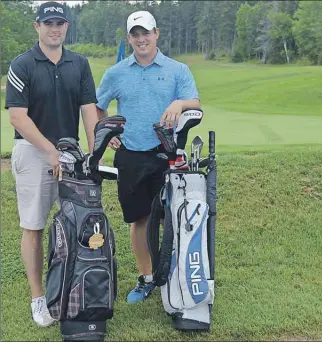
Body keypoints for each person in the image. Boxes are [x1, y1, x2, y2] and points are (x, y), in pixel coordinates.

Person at [5, 1, 99, 327]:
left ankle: (71, 286)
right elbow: (17, 116)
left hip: (71, 154)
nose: (54, 28)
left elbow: (89, 109)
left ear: (67, 27)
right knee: (34, 226)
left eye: (60, 23)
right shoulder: (22, 64)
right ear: (37, 27)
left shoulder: (80, 63)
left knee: (75, 223)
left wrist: (93, 153)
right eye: (49, 23)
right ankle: (38, 298)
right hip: (33, 153)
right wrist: (49, 151)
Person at [96, 10, 201, 303]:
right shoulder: (116, 73)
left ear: (156, 33)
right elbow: (98, 105)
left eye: (146, 33)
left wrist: (179, 103)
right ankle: (147, 278)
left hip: (167, 154)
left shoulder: (177, 69)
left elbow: (195, 102)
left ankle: (174, 274)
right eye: (135, 34)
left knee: (173, 218)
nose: (141, 39)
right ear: (129, 38)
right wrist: (107, 132)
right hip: (130, 155)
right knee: (139, 219)